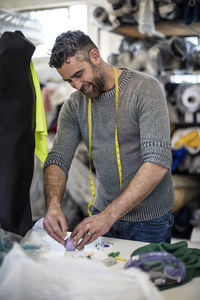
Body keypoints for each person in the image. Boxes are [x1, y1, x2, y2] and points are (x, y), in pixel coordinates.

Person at [43, 30, 174, 250]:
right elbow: (58, 158)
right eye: (68, 81)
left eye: (78, 74)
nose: (76, 85)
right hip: (101, 215)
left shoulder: (145, 89)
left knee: (145, 283)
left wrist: (107, 217)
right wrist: (53, 205)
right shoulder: (75, 104)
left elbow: (157, 161)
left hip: (149, 221)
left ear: (95, 56)